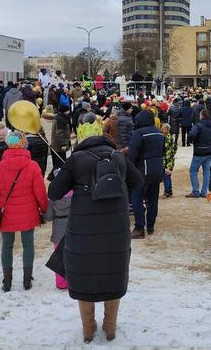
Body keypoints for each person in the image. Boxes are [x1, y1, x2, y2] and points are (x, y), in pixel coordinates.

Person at [48, 132, 143, 343]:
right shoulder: (118, 158)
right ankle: (110, 327)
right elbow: (139, 182)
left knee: (83, 276)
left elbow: (54, 192)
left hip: (82, 230)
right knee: (113, 272)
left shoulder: (76, 160)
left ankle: (88, 329)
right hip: (116, 230)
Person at [0, 131, 48, 291]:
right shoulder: (32, 166)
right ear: (24, 144)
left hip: (5, 213)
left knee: (7, 245)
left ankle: (7, 281)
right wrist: (44, 209)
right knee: (28, 244)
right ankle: (27, 280)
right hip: (28, 212)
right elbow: (40, 192)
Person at [127, 109, 165, 239]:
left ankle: (139, 227)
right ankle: (150, 226)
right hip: (157, 171)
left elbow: (132, 153)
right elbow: (163, 151)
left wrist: (129, 169)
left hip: (142, 172)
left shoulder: (139, 133)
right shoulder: (160, 133)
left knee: (136, 199)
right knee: (153, 200)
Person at [42, 188, 72, 290]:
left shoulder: (53, 198)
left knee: (59, 257)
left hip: (58, 231)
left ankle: (61, 283)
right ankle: (74, 281)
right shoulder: (76, 195)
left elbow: (48, 217)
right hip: (73, 228)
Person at [186, 109, 211, 198]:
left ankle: (195, 191)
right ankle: (204, 191)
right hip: (208, 151)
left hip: (199, 151)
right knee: (206, 172)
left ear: (202, 115)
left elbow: (191, 134)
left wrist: (191, 141)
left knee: (193, 170)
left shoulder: (199, 125)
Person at [50, 104, 71, 177]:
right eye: (68, 110)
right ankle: (53, 178)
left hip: (56, 145)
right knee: (60, 164)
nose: (69, 112)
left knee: (58, 164)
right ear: (65, 111)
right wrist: (63, 144)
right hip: (59, 146)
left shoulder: (59, 118)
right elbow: (59, 133)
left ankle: (52, 177)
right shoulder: (61, 120)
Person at [161, 123, 177, 198]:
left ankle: (167, 191)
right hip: (171, 159)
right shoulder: (170, 137)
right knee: (168, 176)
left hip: (167, 161)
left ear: (166, 130)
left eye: (163, 128)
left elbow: (166, 151)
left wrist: (165, 163)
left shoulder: (166, 138)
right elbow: (175, 148)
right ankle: (169, 191)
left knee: (166, 176)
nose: (161, 129)